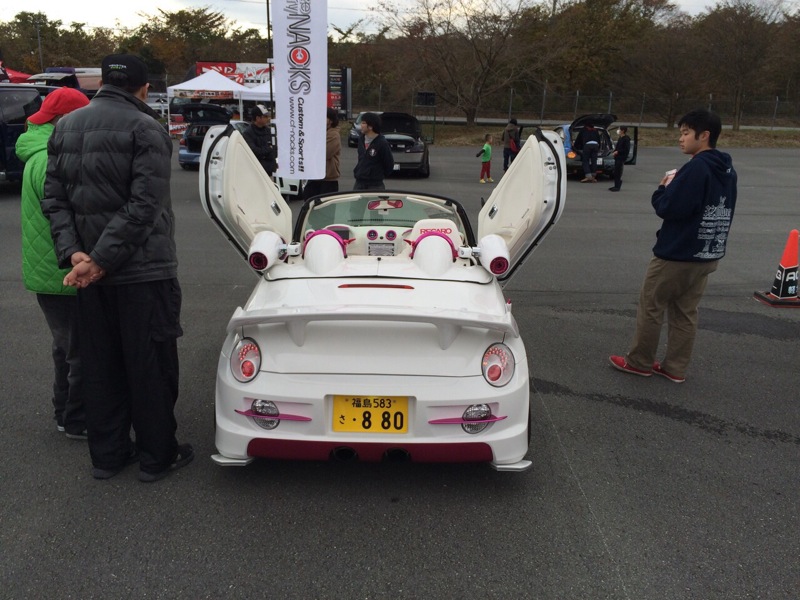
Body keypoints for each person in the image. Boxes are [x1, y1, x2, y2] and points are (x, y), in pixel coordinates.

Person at [42, 53, 193, 481]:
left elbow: (54, 199)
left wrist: (76, 254)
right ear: (144, 88)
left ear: (103, 83)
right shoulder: (146, 128)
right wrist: (99, 261)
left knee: (100, 365)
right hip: (143, 271)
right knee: (151, 365)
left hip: (90, 275)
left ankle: (108, 456)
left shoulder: (66, 126)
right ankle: (156, 457)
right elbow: (144, 205)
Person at [609, 109, 738, 384]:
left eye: (686, 133)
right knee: (685, 312)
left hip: (677, 253)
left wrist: (662, 188)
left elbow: (669, 207)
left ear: (704, 136)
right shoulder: (727, 169)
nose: (680, 138)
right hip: (707, 251)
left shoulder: (696, 167)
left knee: (652, 305)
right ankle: (675, 368)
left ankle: (639, 361)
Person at [16, 86, 90, 440]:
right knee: (80, 351)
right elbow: (65, 216)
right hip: (62, 271)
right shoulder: (51, 158)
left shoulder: (40, 152)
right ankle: (77, 419)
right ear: (66, 119)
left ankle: (64, 413)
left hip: (48, 270)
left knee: (66, 347)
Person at [303, 107, 341, 199]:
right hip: (314, 176)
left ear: (330, 120)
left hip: (328, 178)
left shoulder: (333, 134)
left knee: (325, 205)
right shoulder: (318, 132)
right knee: (309, 201)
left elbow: (324, 153)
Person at [353, 112, 394, 191]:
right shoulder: (361, 139)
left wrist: (377, 175)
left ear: (371, 126)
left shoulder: (382, 143)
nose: (361, 125)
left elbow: (389, 164)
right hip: (359, 183)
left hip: (375, 185)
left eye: (363, 123)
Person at [242, 104, 277, 176]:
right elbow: (254, 152)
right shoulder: (248, 133)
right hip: (256, 173)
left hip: (270, 171)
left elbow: (275, 149)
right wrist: (269, 149)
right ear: (258, 118)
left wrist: (267, 150)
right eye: (265, 116)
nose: (268, 118)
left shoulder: (269, 131)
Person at [609, 126, 631, 192]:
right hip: (617, 157)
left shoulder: (626, 139)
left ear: (623, 130)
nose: (618, 130)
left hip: (621, 157)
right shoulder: (620, 138)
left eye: (619, 129)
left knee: (618, 172)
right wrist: (614, 151)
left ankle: (617, 186)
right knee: (616, 172)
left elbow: (626, 149)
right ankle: (616, 185)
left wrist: (618, 152)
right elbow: (618, 147)